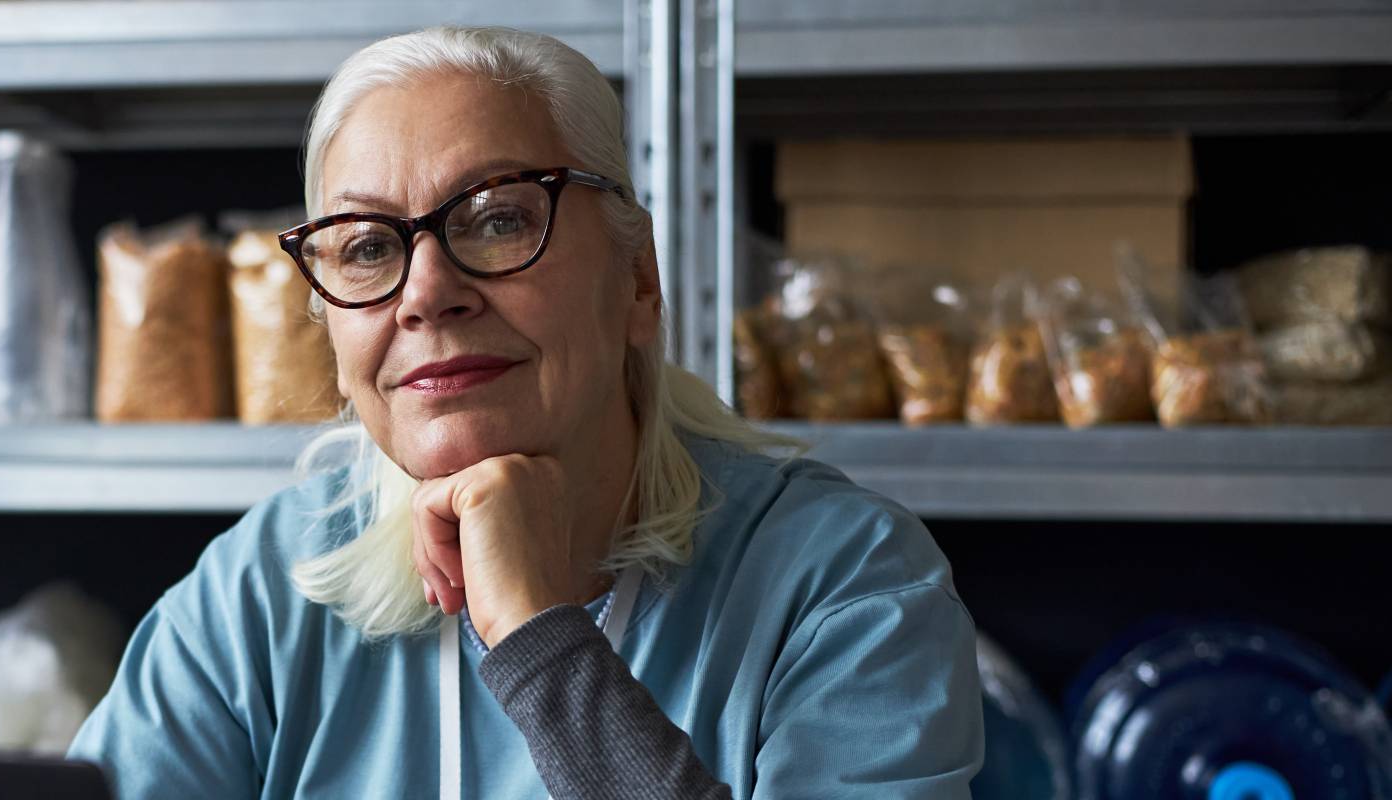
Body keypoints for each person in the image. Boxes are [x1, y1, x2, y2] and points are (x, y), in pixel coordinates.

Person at [69, 26, 982, 799]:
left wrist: (540, 639)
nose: (426, 294)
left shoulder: (840, 586)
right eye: (365, 247)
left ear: (637, 280)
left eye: (498, 220)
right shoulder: (266, 590)